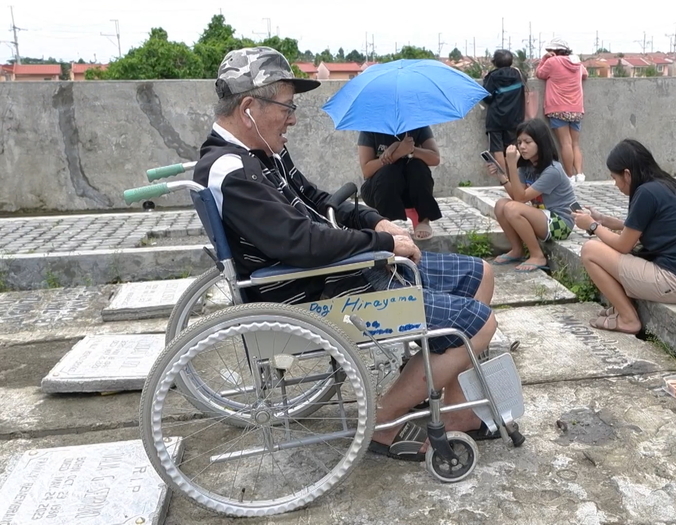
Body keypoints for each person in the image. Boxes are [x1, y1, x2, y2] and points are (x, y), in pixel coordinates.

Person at [195, 47, 500, 462]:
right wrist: (385, 246)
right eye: (287, 107)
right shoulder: (231, 171)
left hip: (335, 272)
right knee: (479, 324)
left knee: (481, 273)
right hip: (314, 294)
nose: (293, 118)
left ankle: (449, 398)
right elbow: (300, 243)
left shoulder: (263, 153)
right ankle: (384, 420)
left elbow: (317, 200)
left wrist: (377, 222)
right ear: (249, 108)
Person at [571, 139, 676, 335]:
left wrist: (592, 226)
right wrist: (603, 220)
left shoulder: (645, 193)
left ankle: (628, 318)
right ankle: (624, 308)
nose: (615, 185)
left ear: (627, 174)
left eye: (615, 178)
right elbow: (640, 227)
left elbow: (624, 245)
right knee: (604, 244)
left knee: (590, 250)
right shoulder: (664, 185)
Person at [487, 118, 578, 272]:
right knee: (502, 204)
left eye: (527, 142)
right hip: (544, 217)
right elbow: (517, 196)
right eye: (519, 142)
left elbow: (520, 199)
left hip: (561, 223)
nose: (522, 147)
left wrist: (511, 164)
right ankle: (517, 250)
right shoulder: (527, 167)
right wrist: (502, 176)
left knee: (512, 208)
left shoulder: (552, 170)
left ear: (540, 143)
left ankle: (537, 255)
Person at [357, 126, 442, 241]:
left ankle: (423, 220)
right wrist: (397, 152)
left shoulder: (417, 124)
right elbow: (366, 170)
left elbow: (435, 158)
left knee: (418, 167)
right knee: (389, 171)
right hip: (378, 190)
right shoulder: (371, 128)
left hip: (410, 190)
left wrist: (411, 150)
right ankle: (389, 222)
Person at [536, 38, 587, 183]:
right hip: (576, 108)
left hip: (558, 107)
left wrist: (544, 59)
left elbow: (540, 74)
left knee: (565, 143)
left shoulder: (552, 62)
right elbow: (585, 74)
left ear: (554, 51)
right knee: (575, 143)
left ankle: (569, 176)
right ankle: (580, 174)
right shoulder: (576, 62)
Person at [482, 49, 526, 173]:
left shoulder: (492, 76)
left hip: (496, 119)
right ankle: (515, 177)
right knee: (512, 148)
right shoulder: (519, 74)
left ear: (494, 62)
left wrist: (485, 78)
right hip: (515, 118)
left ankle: (504, 179)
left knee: (497, 149)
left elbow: (487, 97)